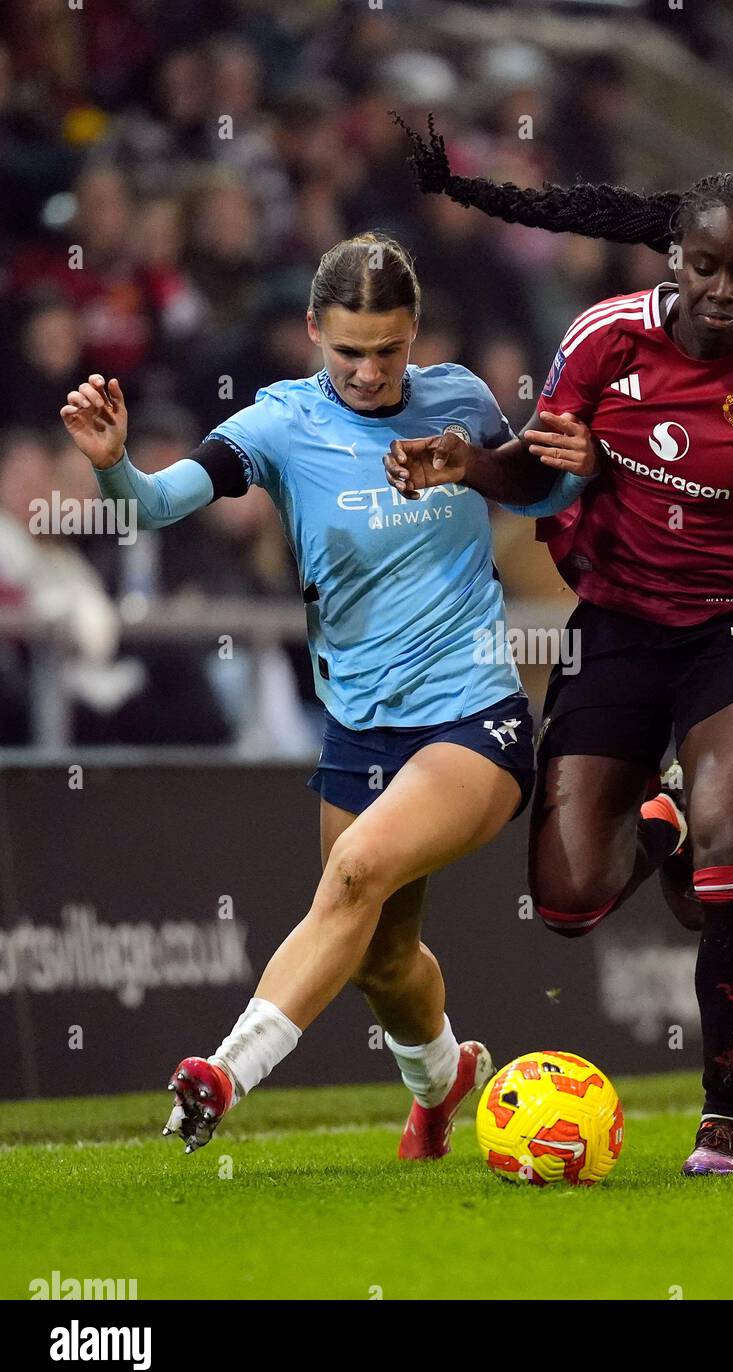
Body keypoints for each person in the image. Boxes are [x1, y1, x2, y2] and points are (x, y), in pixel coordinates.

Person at [386, 120, 733, 1177]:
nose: (725, 292)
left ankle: (723, 1121)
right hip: (616, 623)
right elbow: (541, 476)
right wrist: (469, 463)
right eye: (706, 265)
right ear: (673, 256)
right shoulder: (602, 341)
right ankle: (664, 815)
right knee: (567, 902)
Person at [59, 233, 592, 1157]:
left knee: (351, 876)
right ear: (313, 331)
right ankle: (442, 1083)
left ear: (413, 334)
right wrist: (114, 465)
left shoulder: (459, 398)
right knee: (382, 960)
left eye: (388, 350)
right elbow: (152, 504)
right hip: (360, 732)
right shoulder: (277, 426)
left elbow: (543, 500)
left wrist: (563, 462)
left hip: (474, 717)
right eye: (348, 351)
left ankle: (225, 1072)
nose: (369, 371)